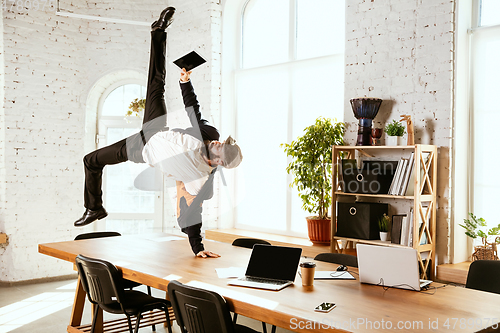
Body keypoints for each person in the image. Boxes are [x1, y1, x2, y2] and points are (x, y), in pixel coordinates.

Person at [73, 7, 242, 258]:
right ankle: (159, 29)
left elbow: (192, 212)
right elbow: (192, 108)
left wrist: (198, 247)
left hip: (142, 148)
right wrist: (185, 81)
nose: (217, 141)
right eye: (221, 142)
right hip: (155, 128)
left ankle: (92, 208)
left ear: (218, 162)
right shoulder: (208, 133)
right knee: (156, 84)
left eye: (221, 147)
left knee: (91, 160)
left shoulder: (201, 178)